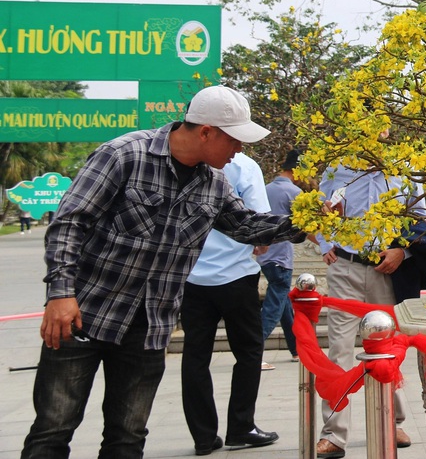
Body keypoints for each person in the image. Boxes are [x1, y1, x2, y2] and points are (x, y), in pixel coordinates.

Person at [21, 85, 304, 459]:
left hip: (149, 326)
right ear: (206, 131)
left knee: (128, 436)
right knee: (53, 429)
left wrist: (308, 221)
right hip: (83, 315)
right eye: (235, 141)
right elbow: (69, 223)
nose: (239, 151)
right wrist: (60, 293)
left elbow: (246, 226)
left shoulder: (214, 183)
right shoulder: (123, 155)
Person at [314, 164, 426, 459]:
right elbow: (319, 211)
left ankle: (393, 422)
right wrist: (324, 242)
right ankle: (333, 434)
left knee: (386, 349)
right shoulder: (336, 169)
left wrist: (402, 252)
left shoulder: (405, 171)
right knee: (339, 351)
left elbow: (421, 224)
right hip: (345, 267)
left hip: (387, 270)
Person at [180, 151, 280, 455]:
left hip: (191, 277)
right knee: (249, 352)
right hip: (236, 276)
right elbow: (259, 222)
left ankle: (203, 436)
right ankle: (240, 427)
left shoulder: (180, 163)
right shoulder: (244, 166)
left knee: (195, 355)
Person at [256, 150, 303, 369]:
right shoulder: (294, 192)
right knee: (273, 307)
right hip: (281, 258)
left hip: (265, 258)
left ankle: (295, 350)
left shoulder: (264, 189)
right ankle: (254, 351)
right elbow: (306, 226)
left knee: (283, 304)